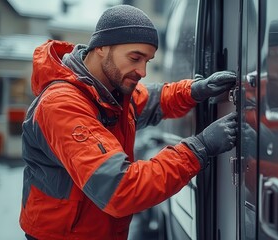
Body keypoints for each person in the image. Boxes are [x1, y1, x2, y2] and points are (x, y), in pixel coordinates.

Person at [20, 4, 237, 240]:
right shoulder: (63, 106)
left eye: (147, 61)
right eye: (135, 58)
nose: (142, 71)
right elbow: (121, 190)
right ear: (102, 47)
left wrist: (194, 91)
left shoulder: (111, 91)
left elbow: (155, 99)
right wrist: (200, 148)